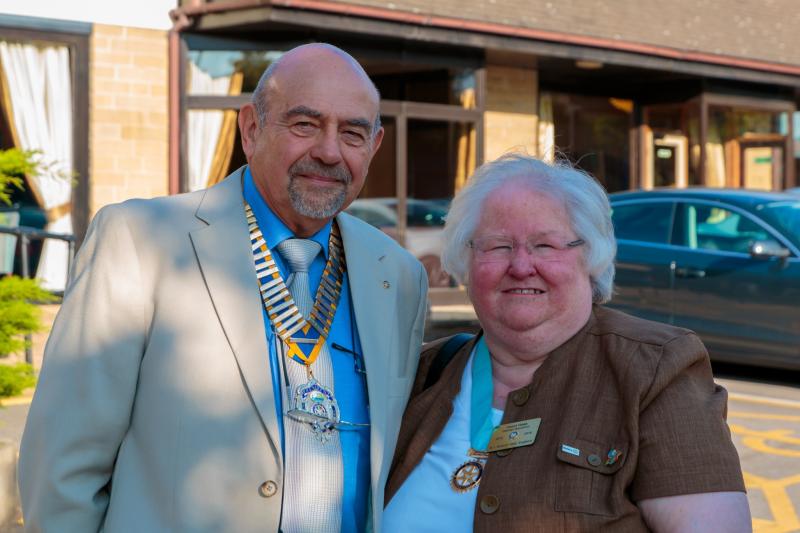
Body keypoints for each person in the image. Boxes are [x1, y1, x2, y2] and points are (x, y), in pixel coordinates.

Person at [19, 43, 428, 533]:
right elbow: (62, 473)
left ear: (375, 146)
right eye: (304, 124)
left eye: (353, 133)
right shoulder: (139, 242)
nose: (329, 150)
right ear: (252, 130)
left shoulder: (399, 277)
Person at [384, 153, 751, 532]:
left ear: (591, 257)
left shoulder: (653, 372)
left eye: (545, 245)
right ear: (466, 260)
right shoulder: (425, 373)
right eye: (498, 246)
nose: (522, 265)